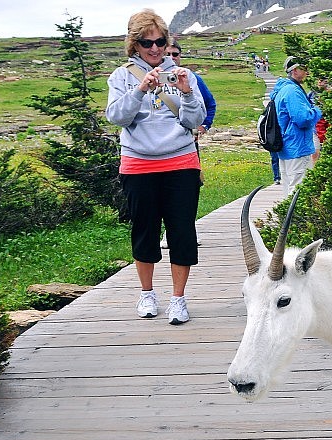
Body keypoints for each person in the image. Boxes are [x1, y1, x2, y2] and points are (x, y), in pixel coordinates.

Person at [105, 9, 206, 325]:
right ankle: (147, 293)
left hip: (181, 162)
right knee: (144, 230)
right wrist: (140, 89)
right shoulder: (121, 77)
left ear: (167, 41)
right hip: (138, 165)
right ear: (134, 44)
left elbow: (195, 120)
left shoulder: (183, 74)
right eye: (146, 43)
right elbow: (116, 117)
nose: (154, 48)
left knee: (182, 230)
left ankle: (179, 299)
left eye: (160, 41)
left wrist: (187, 93)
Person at [160, 39, 216, 249]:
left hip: (187, 144)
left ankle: (188, 228)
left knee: (191, 186)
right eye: (168, 54)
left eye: (175, 54)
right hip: (158, 147)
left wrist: (202, 127)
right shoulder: (149, 79)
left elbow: (210, 104)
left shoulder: (191, 78)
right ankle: (168, 232)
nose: (172, 59)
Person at [270, 56, 323, 197]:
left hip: (286, 146)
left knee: (289, 185)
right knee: (299, 187)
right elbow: (303, 119)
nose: (306, 72)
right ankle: (295, 218)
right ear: (295, 70)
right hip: (297, 145)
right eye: (303, 68)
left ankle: (287, 217)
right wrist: (318, 110)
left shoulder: (282, 89)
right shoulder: (292, 91)